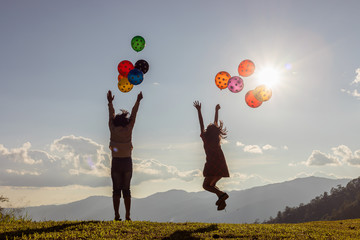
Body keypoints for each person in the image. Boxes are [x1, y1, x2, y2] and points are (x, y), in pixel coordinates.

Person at [107, 90, 143, 221]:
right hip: (127, 162)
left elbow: (110, 115)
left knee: (116, 190)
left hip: (116, 162)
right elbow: (134, 114)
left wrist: (110, 102)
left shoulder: (112, 128)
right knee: (126, 190)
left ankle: (117, 215)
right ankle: (128, 215)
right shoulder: (129, 128)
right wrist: (138, 101)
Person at [193, 101, 230, 210]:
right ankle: (221, 199)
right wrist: (216, 110)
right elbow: (215, 125)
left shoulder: (206, 138)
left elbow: (201, 124)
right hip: (221, 165)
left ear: (207, 132)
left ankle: (222, 195)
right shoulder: (216, 139)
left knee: (206, 186)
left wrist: (199, 111)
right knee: (211, 186)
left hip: (212, 165)